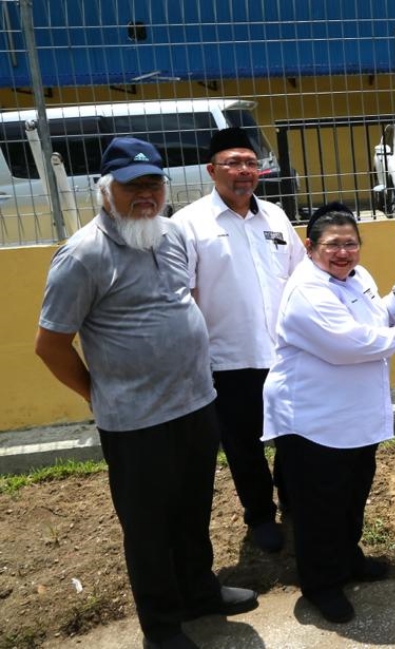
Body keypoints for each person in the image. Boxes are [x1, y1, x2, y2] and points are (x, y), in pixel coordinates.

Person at [34, 137, 257, 649]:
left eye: (153, 183)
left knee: (193, 511)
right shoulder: (83, 255)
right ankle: (161, 627)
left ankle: (200, 592)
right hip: (135, 422)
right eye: (132, 186)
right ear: (105, 190)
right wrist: (98, 393)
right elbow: (50, 345)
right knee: (148, 529)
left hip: (197, 404)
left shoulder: (170, 235)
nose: (146, 195)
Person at [262, 206, 395, 623]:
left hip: (353, 419)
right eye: (332, 244)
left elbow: (373, 320)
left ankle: (349, 560)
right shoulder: (307, 291)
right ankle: (321, 585)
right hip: (315, 422)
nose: (343, 252)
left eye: (350, 243)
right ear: (311, 247)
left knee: (351, 498)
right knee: (319, 510)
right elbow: (349, 344)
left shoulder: (358, 277)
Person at [172, 127, 305, 553]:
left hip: (285, 355)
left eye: (251, 163)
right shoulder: (188, 224)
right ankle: (260, 516)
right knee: (243, 446)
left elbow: (302, 276)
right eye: (233, 163)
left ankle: (292, 499)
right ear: (212, 170)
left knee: (293, 434)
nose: (244, 171)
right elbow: (180, 296)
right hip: (227, 361)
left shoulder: (276, 217)